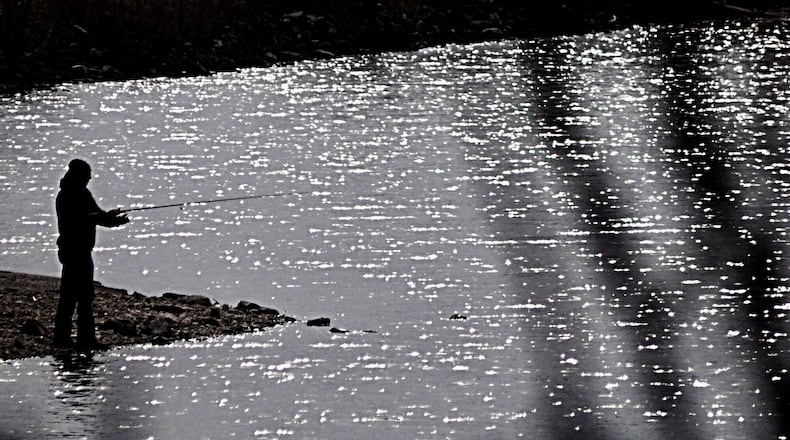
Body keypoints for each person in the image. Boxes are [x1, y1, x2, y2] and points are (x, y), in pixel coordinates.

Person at [53, 159, 129, 349]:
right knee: (72, 296)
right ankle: (68, 338)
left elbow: (96, 216)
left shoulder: (83, 193)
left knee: (84, 296)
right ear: (79, 176)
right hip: (72, 251)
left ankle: (81, 338)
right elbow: (84, 218)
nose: (89, 179)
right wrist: (107, 216)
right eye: (86, 175)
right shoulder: (66, 196)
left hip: (83, 251)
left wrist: (114, 221)